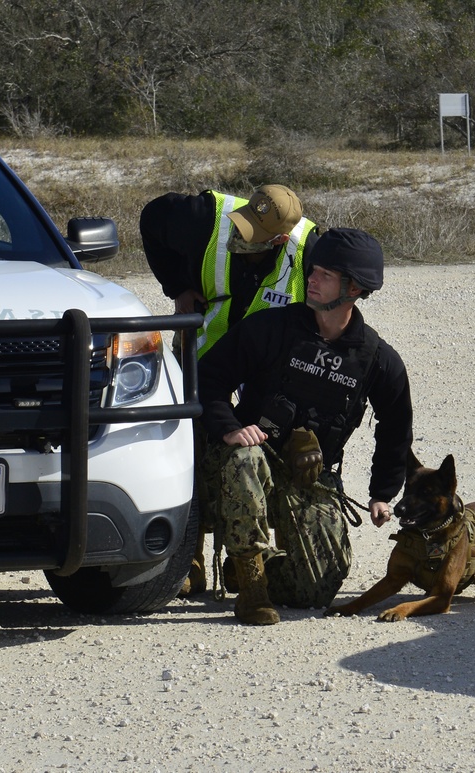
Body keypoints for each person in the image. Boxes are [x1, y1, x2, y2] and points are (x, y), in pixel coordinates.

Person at [197, 227, 413, 625]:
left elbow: (396, 426)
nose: (311, 280)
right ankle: (252, 588)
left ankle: (251, 567)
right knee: (245, 457)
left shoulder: (377, 359)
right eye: (313, 270)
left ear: (354, 288)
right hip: (240, 468)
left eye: (325, 275)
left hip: (307, 478)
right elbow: (207, 377)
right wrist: (228, 427)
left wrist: (383, 492)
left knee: (315, 590)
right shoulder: (270, 328)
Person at [140, 185, 319, 596]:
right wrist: (177, 285)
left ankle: (248, 560)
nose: (240, 234)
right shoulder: (201, 214)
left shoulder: (309, 247)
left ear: (279, 240)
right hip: (201, 355)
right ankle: (189, 561)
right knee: (189, 451)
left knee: (249, 457)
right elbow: (151, 219)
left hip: (260, 369)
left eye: (253, 232)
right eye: (243, 221)